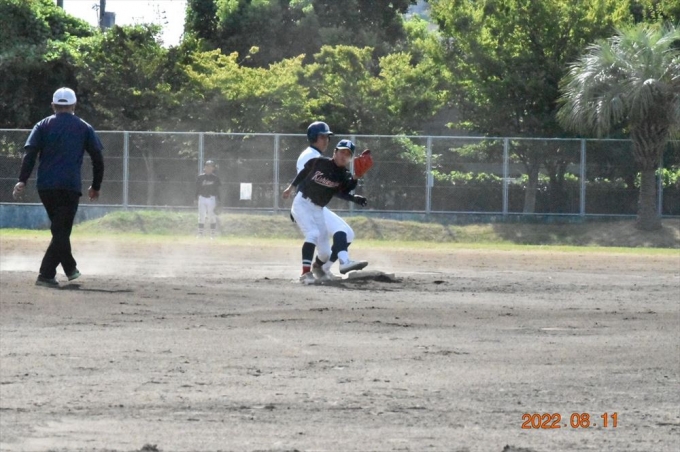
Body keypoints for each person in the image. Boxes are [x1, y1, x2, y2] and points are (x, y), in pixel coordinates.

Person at [13, 87, 104, 288]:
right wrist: (96, 185)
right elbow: (97, 158)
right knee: (62, 230)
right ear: (74, 105)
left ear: (53, 105)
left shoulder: (42, 125)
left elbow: (29, 155)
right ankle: (60, 270)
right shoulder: (84, 127)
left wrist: (22, 180)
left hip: (45, 186)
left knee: (59, 229)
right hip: (70, 186)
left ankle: (52, 273)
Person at [283, 139, 368, 284]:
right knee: (312, 233)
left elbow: (344, 190)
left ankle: (318, 269)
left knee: (325, 253)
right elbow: (304, 172)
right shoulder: (320, 162)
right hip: (302, 203)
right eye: (341, 152)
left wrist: (356, 178)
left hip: (318, 209)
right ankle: (305, 274)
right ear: (335, 152)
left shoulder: (344, 174)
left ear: (350, 159)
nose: (343, 156)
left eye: (348, 154)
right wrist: (291, 188)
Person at [195, 159, 221, 239]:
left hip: (211, 198)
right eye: (207, 166)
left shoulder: (215, 178)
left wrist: (219, 200)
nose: (209, 168)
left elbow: (217, 190)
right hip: (202, 198)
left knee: (212, 216)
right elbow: (197, 189)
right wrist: (195, 198)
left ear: (213, 168)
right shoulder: (200, 177)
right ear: (205, 167)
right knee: (201, 216)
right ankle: (200, 234)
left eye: (211, 166)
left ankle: (212, 235)